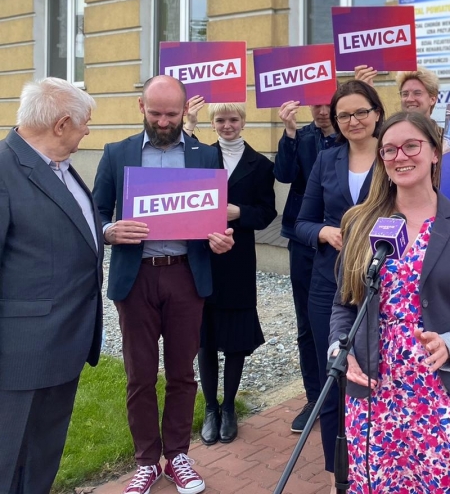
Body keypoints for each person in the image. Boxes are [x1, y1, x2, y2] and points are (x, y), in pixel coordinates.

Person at [329, 111, 450, 492]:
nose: (400, 157)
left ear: (435, 152)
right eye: (389, 150)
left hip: (441, 391)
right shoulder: (360, 222)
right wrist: (341, 350)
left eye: (411, 146)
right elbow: (344, 304)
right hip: (375, 391)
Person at [93, 75, 235, 494]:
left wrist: (220, 239)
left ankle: (177, 456)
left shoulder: (206, 155)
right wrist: (108, 231)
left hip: (185, 275)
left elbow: (214, 216)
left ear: (184, 110)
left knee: (181, 372)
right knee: (139, 375)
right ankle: (145, 461)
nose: (163, 121)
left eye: (172, 114)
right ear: (141, 107)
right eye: (155, 113)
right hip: (135, 277)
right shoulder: (116, 153)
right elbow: (95, 211)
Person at [0, 78, 103, 494]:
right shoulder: (5, 170)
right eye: (84, 122)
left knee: (41, 462)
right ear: (61, 124)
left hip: (64, 345)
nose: (88, 131)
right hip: (20, 355)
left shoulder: (58, 165)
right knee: (9, 464)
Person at [295, 80, 384, 492]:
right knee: (333, 378)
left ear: (377, 112)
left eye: (361, 112)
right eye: (344, 115)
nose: (353, 121)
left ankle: (381, 465)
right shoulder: (326, 159)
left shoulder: (393, 154)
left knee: (380, 376)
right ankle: (338, 476)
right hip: (328, 281)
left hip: (384, 280)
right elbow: (301, 222)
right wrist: (324, 232)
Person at [193, 102, 277, 445]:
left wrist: (238, 212)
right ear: (212, 123)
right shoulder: (202, 157)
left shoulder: (261, 165)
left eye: (232, 119)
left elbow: (267, 212)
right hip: (204, 256)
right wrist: (189, 125)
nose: (227, 125)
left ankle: (229, 407)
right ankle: (210, 407)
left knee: (235, 341)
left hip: (239, 260)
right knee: (206, 338)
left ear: (243, 121)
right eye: (220, 120)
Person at [272, 101, 337, 432]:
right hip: (304, 240)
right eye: (317, 105)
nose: (322, 111)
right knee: (307, 322)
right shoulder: (302, 136)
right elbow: (283, 175)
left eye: (328, 105)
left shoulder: (350, 137)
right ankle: (315, 397)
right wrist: (289, 133)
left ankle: (345, 393)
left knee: (347, 318)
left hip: (343, 241)